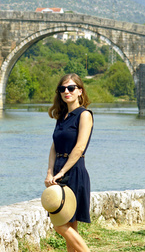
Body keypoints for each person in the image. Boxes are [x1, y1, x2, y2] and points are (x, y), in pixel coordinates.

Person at [45, 73, 93, 252]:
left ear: (80, 91)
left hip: (73, 171)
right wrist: (50, 172)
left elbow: (80, 148)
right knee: (70, 226)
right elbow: (54, 147)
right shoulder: (61, 117)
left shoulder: (85, 115)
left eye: (71, 88)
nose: (67, 92)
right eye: (62, 89)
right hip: (59, 171)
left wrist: (62, 172)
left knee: (59, 224)